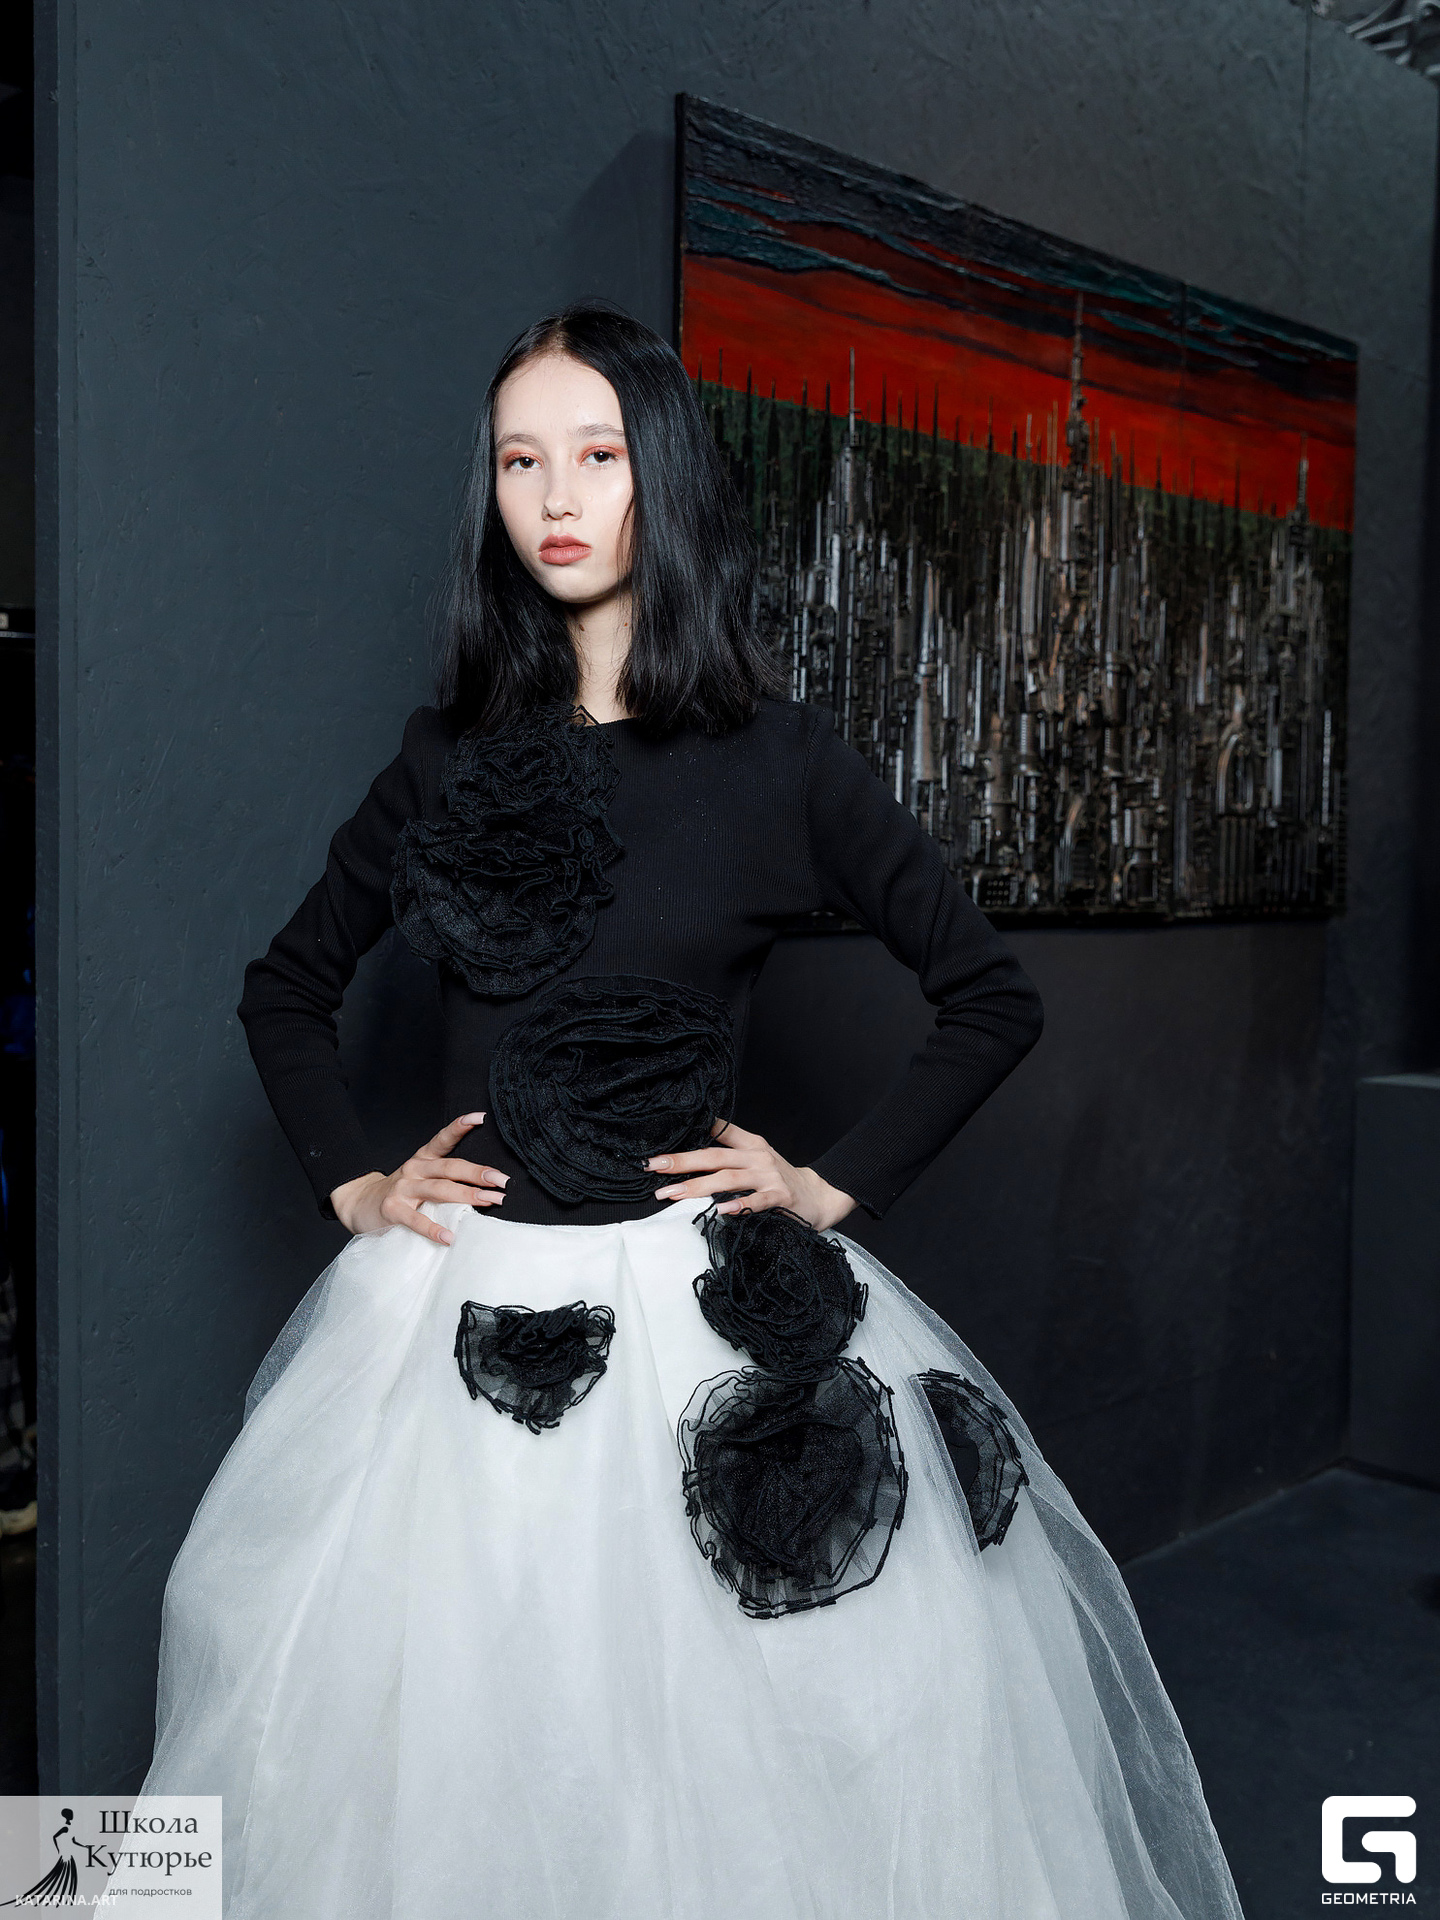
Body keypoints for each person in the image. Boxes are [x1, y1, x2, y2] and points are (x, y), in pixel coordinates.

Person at [136, 303, 1243, 1920]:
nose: (555, 495)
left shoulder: (778, 764)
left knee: (727, 1773)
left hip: (697, 1323)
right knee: (439, 1747)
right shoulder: (446, 758)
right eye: (521, 460)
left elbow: (990, 998)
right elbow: (284, 985)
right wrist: (358, 1185)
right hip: (451, 1322)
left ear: (662, 474)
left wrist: (831, 1184)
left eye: (596, 455)